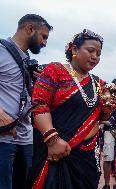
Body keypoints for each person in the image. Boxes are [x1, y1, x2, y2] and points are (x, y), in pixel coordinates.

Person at [28, 29, 104, 189]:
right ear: (74, 49)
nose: (95, 56)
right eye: (90, 50)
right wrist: (53, 140)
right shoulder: (55, 71)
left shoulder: (98, 83)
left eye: (98, 53)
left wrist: (108, 110)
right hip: (56, 150)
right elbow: (39, 105)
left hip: (87, 155)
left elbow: (99, 116)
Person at [0, 14, 52, 189]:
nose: (45, 43)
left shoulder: (29, 62)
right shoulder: (1, 50)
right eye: (43, 36)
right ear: (30, 29)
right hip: (3, 136)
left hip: (26, 138)